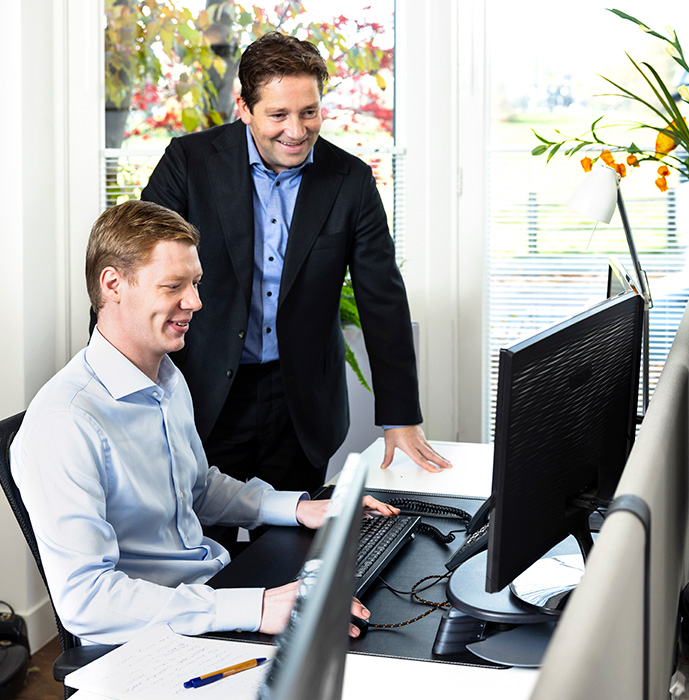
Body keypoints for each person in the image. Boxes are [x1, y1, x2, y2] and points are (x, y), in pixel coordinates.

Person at [10, 200, 395, 645]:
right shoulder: (66, 423)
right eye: (174, 285)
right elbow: (87, 601)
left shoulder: (167, 379)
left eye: (195, 283)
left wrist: (298, 508)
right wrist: (257, 607)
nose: (195, 302)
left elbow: (197, 489)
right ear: (113, 284)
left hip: (208, 595)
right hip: (149, 640)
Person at [141, 31, 451, 494]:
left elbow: (382, 298)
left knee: (290, 548)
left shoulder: (351, 181)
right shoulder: (188, 163)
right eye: (278, 114)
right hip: (204, 390)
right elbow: (136, 266)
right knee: (204, 550)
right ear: (244, 108)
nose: (297, 129)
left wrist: (401, 417)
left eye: (309, 112)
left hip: (300, 403)